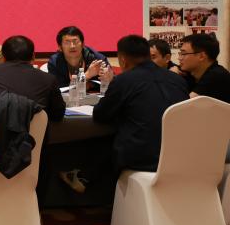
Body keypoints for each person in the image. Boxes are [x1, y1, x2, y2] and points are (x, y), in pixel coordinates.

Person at [93, 35, 189, 172]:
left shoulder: (123, 81)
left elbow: (100, 115)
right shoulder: (177, 80)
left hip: (141, 160)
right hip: (179, 156)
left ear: (122, 60)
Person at [0, 35, 65, 122]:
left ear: (3, 57)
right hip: (35, 131)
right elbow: (58, 114)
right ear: (33, 56)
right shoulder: (48, 79)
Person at [46, 26, 109, 90]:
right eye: (67, 42)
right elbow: (56, 89)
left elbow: (110, 83)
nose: (72, 46)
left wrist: (108, 78)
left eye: (75, 42)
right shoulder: (54, 62)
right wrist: (87, 75)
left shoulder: (97, 59)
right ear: (60, 47)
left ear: (83, 44)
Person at [178, 32, 230, 102]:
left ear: (201, 56)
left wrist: (172, 77)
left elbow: (183, 105)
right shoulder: (189, 73)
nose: (179, 58)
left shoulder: (216, 76)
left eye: (183, 53)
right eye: (180, 53)